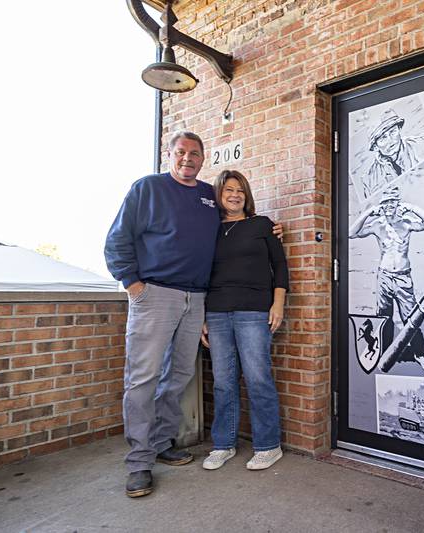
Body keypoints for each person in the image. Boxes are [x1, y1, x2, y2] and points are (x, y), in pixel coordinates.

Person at [105, 132, 282, 498]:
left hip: (197, 299)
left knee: (181, 373)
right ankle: (139, 462)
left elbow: (238, 228)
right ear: (170, 154)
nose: (188, 158)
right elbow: (118, 239)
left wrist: (270, 229)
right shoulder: (147, 188)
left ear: (203, 159)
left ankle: (162, 441)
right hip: (155, 294)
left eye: (195, 153)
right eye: (181, 152)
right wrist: (133, 284)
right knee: (143, 378)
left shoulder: (206, 199)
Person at [201, 170, 289, 472]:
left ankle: (268, 445)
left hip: (254, 311)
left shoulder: (262, 225)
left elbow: (279, 265)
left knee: (258, 378)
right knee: (224, 382)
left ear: (246, 195)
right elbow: (200, 275)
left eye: (240, 190)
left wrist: (278, 303)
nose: (235, 195)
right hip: (217, 312)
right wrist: (202, 316)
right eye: (228, 190)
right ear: (218, 195)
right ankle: (223, 444)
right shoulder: (208, 230)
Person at [349, 186, 424, 375]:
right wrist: (367, 212)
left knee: (411, 316)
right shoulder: (377, 225)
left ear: (398, 203)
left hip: (403, 277)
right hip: (384, 277)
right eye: (386, 202)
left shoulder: (406, 223)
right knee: (383, 316)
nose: (389, 205)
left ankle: (420, 354)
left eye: (393, 201)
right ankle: (383, 351)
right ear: (381, 205)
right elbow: (351, 233)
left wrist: (412, 207)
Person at [362, 108, 424, 198]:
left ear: (399, 129)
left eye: (393, 132)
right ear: (375, 146)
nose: (390, 140)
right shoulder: (369, 180)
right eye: (383, 137)